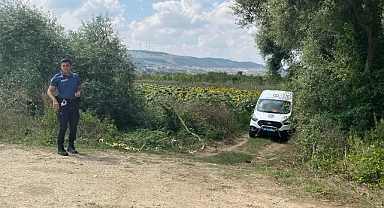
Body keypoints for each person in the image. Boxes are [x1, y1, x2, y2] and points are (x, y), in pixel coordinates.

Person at [47, 58, 82, 156]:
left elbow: (80, 88)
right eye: (63, 66)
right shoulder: (57, 78)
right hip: (62, 103)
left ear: (70, 66)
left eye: (67, 65)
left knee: (74, 125)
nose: (65, 68)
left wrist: (79, 93)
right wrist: (54, 100)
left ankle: (71, 145)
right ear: (61, 67)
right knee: (63, 126)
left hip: (74, 103)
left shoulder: (75, 76)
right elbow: (49, 91)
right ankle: (60, 147)